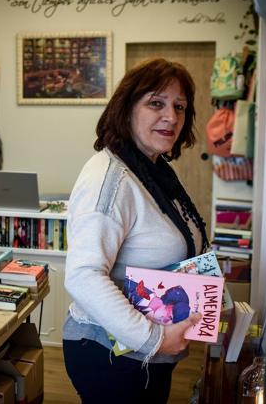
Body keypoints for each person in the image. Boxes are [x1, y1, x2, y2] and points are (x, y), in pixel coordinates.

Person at [63, 58, 210, 403]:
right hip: (112, 354)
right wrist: (155, 339)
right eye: (156, 103)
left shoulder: (151, 169)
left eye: (180, 107)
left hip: (146, 354)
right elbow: (83, 275)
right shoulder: (110, 179)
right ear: (126, 109)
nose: (171, 117)